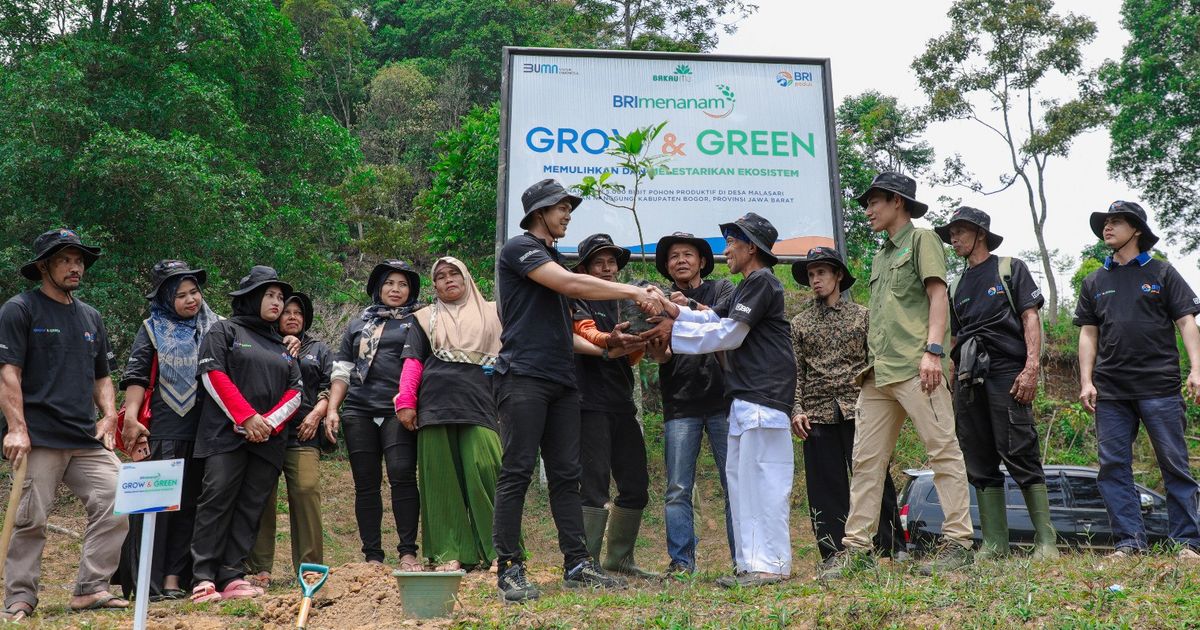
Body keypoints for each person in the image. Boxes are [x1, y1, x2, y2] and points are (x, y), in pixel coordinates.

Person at [491, 179, 660, 602]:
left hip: (563, 380)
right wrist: (635, 290)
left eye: (569, 208)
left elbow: (566, 335)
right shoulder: (519, 249)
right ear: (540, 212)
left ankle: (577, 563)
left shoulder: (554, 258)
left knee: (568, 476)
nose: (567, 214)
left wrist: (607, 348)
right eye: (562, 207)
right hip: (524, 377)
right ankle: (509, 568)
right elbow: (572, 285)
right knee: (516, 471)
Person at [820, 172, 974, 579]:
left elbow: (938, 294)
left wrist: (934, 351)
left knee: (942, 451)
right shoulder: (880, 255)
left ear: (897, 202)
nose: (868, 210)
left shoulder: (923, 240)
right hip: (878, 373)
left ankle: (958, 544)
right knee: (866, 460)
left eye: (874, 202)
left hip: (917, 366)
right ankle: (857, 549)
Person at [642, 212, 797, 588]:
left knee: (765, 484)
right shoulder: (746, 285)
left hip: (764, 395)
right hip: (744, 397)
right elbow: (712, 318)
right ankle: (749, 564)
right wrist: (675, 312)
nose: (726, 250)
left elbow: (728, 334)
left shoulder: (762, 282)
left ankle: (771, 564)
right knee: (743, 485)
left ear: (751, 247)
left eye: (732, 243)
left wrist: (672, 330)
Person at [0, 229, 129, 620]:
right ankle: (19, 597)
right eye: (65, 260)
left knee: (119, 499)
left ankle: (91, 589)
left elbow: (102, 377)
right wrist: (17, 427)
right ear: (43, 267)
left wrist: (108, 416)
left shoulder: (90, 315)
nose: (76, 267)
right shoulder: (20, 309)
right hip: (39, 435)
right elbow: (9, 373)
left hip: (85, 437)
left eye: (79, 261)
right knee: (30, 518)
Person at [1074, 201, 1200, 560]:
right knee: (1113, 467)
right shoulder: (1095, 280)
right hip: (1111, 390)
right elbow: (1088, 334)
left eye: (1116, 222)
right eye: (1105, 223)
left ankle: (1187, 543)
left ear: (1137, 230)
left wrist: (1197, 369)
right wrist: (1086, 381)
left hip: (1159, 386)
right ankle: (1130, 543)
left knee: (1174, 464)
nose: (1107, 228)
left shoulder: (1162, 273)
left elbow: (1187, 322)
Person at [936, 207, 1059, 560]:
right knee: (977, 456)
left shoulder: (1009, 268)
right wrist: (950, 379)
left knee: (1020, 449)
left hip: (1008, 372)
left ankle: (1047, 542)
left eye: (960, 231)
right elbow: (955, 340)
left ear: (980, 233)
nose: (954, 239)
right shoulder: (955, 285)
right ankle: (994, 544)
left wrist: (1031, 367)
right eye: (952, 233)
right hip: (967, 377)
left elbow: (1030, 316)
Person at [190, 265, 303, 602]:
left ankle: (232, 575)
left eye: (280, 297)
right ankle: (202, 576)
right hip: (225, 436)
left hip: (268, 440)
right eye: (270, 295)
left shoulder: (283, 344)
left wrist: (266, 423)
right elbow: (212, 374)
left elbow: (296, 391)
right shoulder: (224, 331)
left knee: (251, 505)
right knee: (217, 499)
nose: (277, 302)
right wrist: (247, 417)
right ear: (251, 297)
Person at [788, 247, 905, 566]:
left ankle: (893, 547)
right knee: (825, 487)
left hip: (861, 407)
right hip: (817, 411)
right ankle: (835, 552)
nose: (816, 280)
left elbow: (876, 363)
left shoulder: (863, 316)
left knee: (875, 476)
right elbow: (796, 371)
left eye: (822, 272)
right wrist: (796, 409)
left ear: (838, 275)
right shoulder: (799, 324)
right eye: (811, 274)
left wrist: (887, 406)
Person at [118, 260, 220, 601]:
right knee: (156, 507)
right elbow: (136, 375)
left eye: (194, 292)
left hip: (204, 428)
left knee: (190, 505)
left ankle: (176, 578)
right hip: (161, 428)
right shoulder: (152, 328)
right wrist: (132, 417)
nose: (191, 300)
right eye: (181, 295)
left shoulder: (216, 327)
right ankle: (148, 581)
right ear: (165, 298)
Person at [400, 257, 504, 572]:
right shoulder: (424, 317)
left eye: (454, 273)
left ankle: (501, 549)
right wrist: (406, 400)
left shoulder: (494, 311)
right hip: (434, 404)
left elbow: (512, 353)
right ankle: (450, 553)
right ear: (435, 286)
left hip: (481, 402)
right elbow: (413, 361)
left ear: (466, 276)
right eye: (440, 277)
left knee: (486, 469)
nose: (448, 280)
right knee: (439, 481)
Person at [326, 260, 424, 570]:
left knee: (402, 477)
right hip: (358, 410)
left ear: (411, 291)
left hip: (398, 410)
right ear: (377, 289)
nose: (395, 289)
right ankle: (372, 556)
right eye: (389, 284)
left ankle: (408, 552)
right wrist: (332, 408)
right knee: (365, 484)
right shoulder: (357, 324)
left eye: (403, 284)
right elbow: (343, 370)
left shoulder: (420, 321)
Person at [647, 232, 735, 575]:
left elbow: (726, 323)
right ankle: (682, 562)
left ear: (701, 260)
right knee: (677, 488)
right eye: (673, 257)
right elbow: (665, 354)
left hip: (723, 400)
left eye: (687, 254)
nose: (680, 260)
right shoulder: (657, 300)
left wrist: (685, 308)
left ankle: (743, 560)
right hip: (679, 402)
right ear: (666, 266)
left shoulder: (722, 289)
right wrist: (658, 353)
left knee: (734, 486)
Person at [569, 233, 655, 579]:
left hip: (622, 404)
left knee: (635, 484)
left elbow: (632, 356)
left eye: (611, 262)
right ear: (586, 268)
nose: (606, 268)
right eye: (598, 262)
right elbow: (585, 331)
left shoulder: (625, 301)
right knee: (593, 484)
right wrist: (610, 340)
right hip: (587, 403)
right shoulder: (576, 297)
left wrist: (642, 340)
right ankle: (585, 563)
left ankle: (619, 559)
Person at [247, 292, 332, 585]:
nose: (293, 317)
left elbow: (329, 384)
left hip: (304, 431)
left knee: (306, 490)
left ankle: (310, 566)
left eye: (298, 312)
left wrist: (317, 414)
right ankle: (260, 568)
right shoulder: (261, 342)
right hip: (268, 431)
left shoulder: (318, 348)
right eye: (287, 312)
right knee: (263, 495)